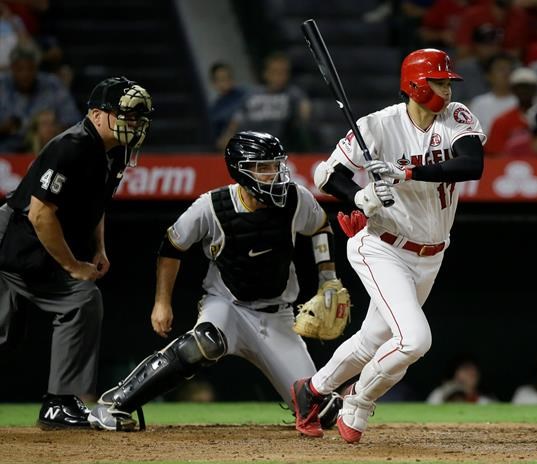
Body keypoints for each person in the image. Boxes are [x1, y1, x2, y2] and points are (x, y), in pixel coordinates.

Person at [88, 131, 344, 431]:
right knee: (202, 344)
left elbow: (321, 226)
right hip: (228, 306)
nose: (272, 174)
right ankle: (113, 404)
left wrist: (328, 278)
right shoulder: (211, 205)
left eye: (274, 165)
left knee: (320, 413)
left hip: (278, 316)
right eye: (261, 167)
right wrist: (161, 302)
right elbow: (172, 246)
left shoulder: (295, 198)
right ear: (239, 169)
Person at [291, 48, 485, 443]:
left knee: (372, 341)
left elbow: (471, 164)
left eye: (448, 82)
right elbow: (327, 175)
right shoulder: (376, 126)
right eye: (439, 82)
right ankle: (358, 401)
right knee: (414, 340)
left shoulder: (456, 117)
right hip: (382, 246)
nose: (447, 90)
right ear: (416, 84)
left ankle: (311, 390)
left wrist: (406, 171)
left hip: (432, 253)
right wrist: (359, 197)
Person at [0, 76, 153, 428]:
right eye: (126, 115)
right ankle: (59, 402)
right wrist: (73, 265)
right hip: (12, 243)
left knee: (82, 300)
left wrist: (98, 248)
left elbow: (96, 205)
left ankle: (60, 402)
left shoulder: (113, 152)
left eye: (138, 117)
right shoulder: (70, 146)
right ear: (98, 115)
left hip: (36, 245)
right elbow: (40, 214)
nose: (134, 124)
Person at [220, 52, 312, 152]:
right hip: (249, 144)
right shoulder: (252, 94)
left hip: (276, 146)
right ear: (266, 73)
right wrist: (227, 136)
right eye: (275, 72)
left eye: (283, 72)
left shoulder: (292, 94)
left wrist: (302, 118)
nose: (280, 77)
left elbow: (304, 111)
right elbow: (237, 118)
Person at [0, 43, 79, 152]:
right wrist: (3, 127)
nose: (25, 74)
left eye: (30, 68)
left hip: (46, 150)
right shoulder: (2, 85)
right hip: (5, 148)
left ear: (37, 68)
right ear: (12, 68)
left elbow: (72, 121)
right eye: (19, 69)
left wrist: (52, 129)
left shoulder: (53, 85)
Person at [208, 62, 247, 152]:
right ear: (214, 83)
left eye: (227, 78)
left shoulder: (244, 95)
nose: (225, 82)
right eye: (221, 79)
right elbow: (217, 139)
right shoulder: (215, 109)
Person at [426, 354, 493, 404]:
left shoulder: (485, 401)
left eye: (474, 369)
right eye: (466, 369)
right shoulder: (440, 393)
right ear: (455, 373)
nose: (472, 372)